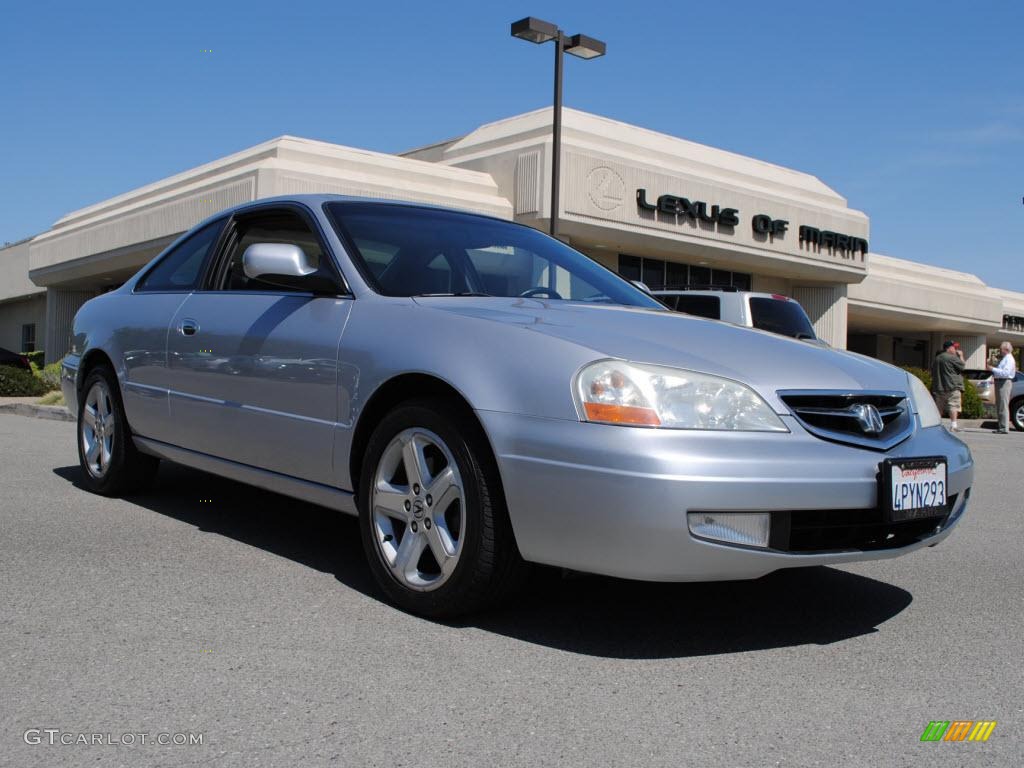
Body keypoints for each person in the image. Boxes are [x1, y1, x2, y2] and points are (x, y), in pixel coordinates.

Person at [931, 340, 965, 431]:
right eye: (954, 347)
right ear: (949, 348)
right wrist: (961, 356)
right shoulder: (952, 357)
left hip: (939, 387)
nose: (956, 349)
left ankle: (936, 425)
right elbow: (962, 366)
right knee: (953, 405)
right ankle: (953, 426)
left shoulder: (937, 358)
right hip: (952, 386)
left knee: (939, 407)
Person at [989, 341, 1017, 434]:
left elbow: (1005, 373)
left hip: (1004, 382)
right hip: (1001, 382)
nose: (1000, 350)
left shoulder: (1009, 359)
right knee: (1000, 405)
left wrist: (992, 369)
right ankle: (1001, 426)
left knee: (1003, 405)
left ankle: (1004, 427)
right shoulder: (1006, 358)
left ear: (1006, 349)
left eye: (1001, 349)